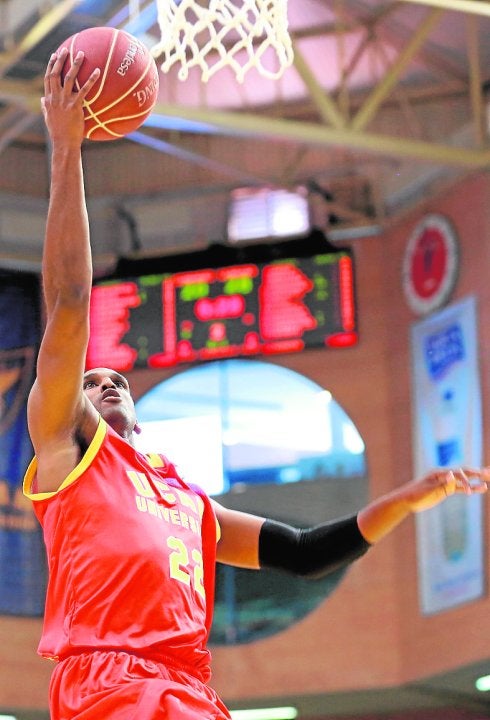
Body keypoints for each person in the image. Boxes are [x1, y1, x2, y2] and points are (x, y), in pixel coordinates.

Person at [23, 48, 489, 720]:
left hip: (187, 688)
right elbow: (70, 304)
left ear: (140, 415)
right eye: (90, 381)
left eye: (115, 376)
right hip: (110, 684)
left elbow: (304, 554)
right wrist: (66, 148)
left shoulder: (188, 503)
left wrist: (409, 498)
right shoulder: (68, 451)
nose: (106, 380)